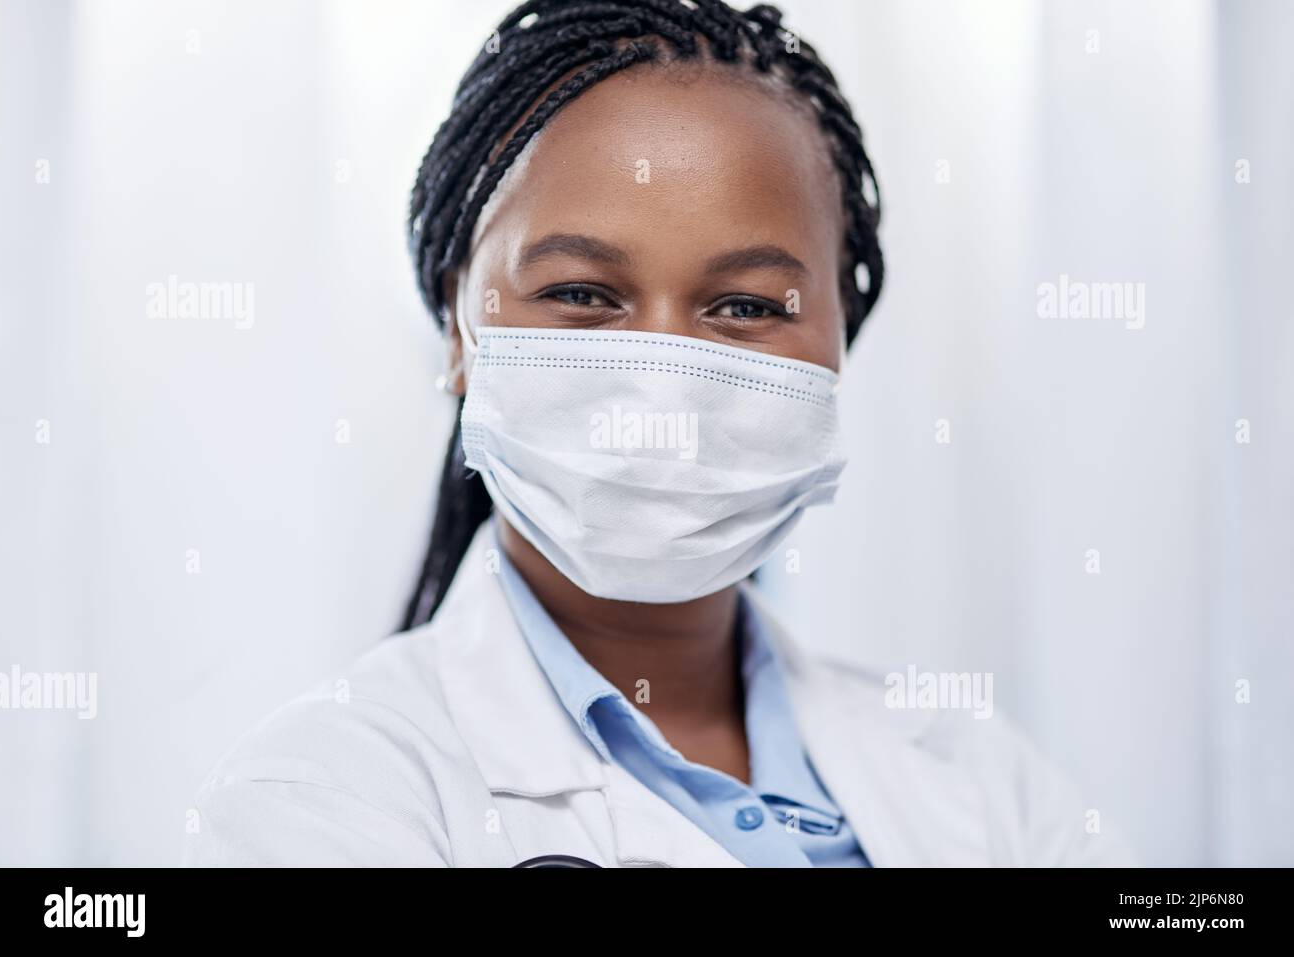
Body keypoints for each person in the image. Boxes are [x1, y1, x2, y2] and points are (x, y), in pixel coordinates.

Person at [186, 0, 1132, 867]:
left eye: (746, 305)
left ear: (841, 345)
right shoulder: (326, 799)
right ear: (460, 332)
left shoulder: (984, 786)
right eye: (581, 294)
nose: (663, 386)